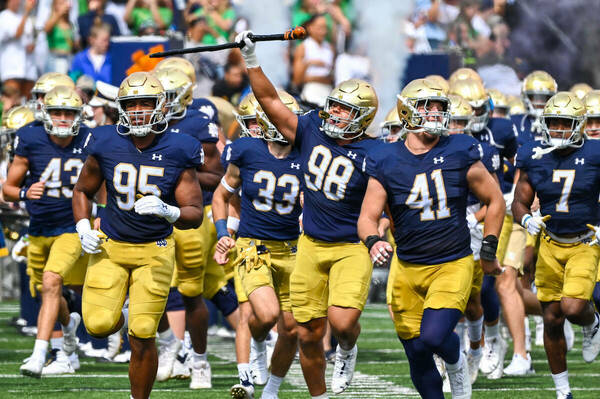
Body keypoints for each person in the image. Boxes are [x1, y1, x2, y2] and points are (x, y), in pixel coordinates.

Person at [236, 29, 380, 398]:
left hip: (350, 246)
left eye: (345, 109)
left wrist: (379, 235)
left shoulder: (376, 153)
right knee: (306, 331)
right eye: (334, 105)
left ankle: (348, 348)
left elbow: (385, 204)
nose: (334, 113)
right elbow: (269, 99)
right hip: (310, 245)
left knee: (343, 322)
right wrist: (252, 60)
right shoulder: (313, 128)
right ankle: (318, 396)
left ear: (362, 117)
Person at [357, 77, 505, 399]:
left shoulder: (460, 148)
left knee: (435, 337)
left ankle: (457, 361)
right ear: (408, 112)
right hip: (408, 267)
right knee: (417, 352)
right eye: (428, 106)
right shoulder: (385, 158)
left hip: (452, 261)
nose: (436, 113)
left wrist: (489, 248)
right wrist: (374, 241)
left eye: (440, 107)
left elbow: (495, 200)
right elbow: (368, 217)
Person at [72, 71, 204, 399]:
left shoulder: (180, 146)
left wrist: (169, 211)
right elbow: (82, 190)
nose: (141, 110)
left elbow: (195, 214)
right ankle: (128, 312)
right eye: (133, 104)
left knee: (144, 333)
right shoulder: (104, 140)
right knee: (98, 325)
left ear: (162, 106)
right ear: (122, 108)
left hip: (155, 249)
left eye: (147, 103)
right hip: (112, 246)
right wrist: (83, 226)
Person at [213, 89, 303, 399]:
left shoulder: (306, 155)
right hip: (254, 246)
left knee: (291, 329)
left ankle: (272, 391)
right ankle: (257, 345)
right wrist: (223, 232)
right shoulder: (247, 150)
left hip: (293, 249)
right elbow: (222, 195)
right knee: (264, 315)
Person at [512, 91, 600, 399]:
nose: (558, 129)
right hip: (549, 241)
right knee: (551, 319)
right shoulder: (533, 153)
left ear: (579, 124)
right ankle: (563, 392)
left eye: (565, 123)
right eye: (553, 123)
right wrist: (525, 221)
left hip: (584, 241)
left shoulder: (596, 152)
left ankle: (592, 321)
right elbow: (518, 201)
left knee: (573, 308)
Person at [3, 86, 91, 377]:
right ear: (46, 113)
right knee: (46, 291)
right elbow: (8, 188)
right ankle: (68, 330)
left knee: (52, 282)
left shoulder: (90, 138)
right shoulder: (29, 138)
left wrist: (98, 215)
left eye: (69, 113)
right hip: (40, 227)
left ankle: (39, 354)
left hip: (73, 225)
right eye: (57, 112)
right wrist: (26, 191)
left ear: (79, 114)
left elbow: (104, 182)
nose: (64, 119)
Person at [292, 14, 334, 108]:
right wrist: (309, 63)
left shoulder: (330, 48)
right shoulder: (303, 47)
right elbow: (297, 80)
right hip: (310, 95)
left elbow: (333, 77)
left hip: (328, 94)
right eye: (319, 28)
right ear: (310, 28)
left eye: (325, 28)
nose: (323, 32)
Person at [0, 0, 38, 98]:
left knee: (27, 104)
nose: (18, 2)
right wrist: (26, 12)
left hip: (28, 69)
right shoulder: (4, 16)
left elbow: (30, 39)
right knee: (11, 101)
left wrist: (31, 46)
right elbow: (17, 33)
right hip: (12, 69)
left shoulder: (24, 17)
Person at [44, 0, 77, 74]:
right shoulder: (52, 21)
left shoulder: (70, 24)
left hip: (68, 59)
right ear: (55, 6)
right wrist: (58, 14)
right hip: (55, 59)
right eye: (61, 3)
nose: (65, 5)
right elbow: (46, 29)